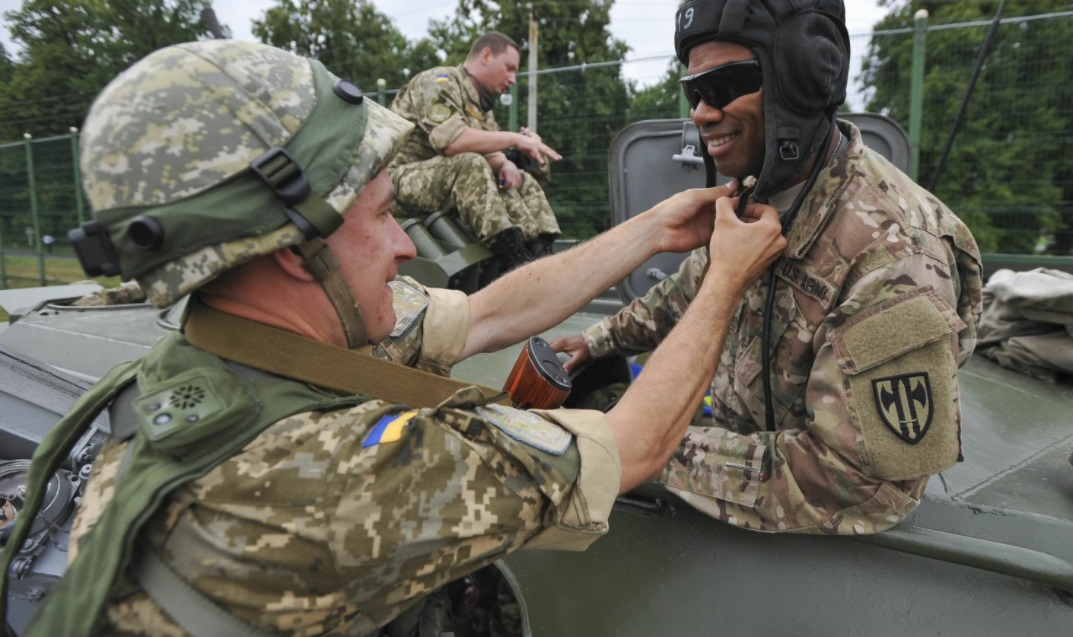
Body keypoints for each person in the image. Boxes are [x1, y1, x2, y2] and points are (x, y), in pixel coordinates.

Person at [0, 40, 785, 636]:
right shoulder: (332, 477)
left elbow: (486, 315)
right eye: (380, 217)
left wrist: (649, 230)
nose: (407, 247)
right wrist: (725, 279)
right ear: (290, 252)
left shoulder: (221, 351)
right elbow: (633, 445)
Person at [552, 0, 984, 535]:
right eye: (695, 91)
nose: (701, 112)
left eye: (726, 86)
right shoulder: (766, 191)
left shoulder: (896, 252)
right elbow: (692, 290)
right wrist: (594, 341)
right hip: (741, 472)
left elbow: (857, 485)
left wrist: (629, 447)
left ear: (801, 82)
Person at [389, 31, 562, 272]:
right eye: (509, 68)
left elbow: (491, 153)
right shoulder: (439, 82)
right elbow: (451, 141)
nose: (513, 79)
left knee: (519, 180)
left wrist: (507, 164)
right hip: (397, 184)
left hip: (444, 181)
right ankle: (514, 261)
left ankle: (541, 254)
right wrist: (514, 139)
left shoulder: (481, 107)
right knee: (470, 163)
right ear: (487, 55)